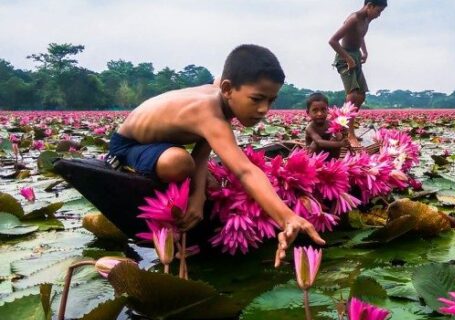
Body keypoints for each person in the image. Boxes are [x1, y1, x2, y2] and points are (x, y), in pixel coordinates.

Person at [108, 44, 325, 267]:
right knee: (181, 163)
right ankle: (133, 168)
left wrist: (198, 196)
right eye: (257, 99)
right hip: (128, 146)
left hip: (163, 142)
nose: (263, 110)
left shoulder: (223, 89)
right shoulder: (207, 112)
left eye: (270, 100)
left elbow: (204, 143)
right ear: (228, 89)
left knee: (198, 173)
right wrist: (286, 217)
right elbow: (244, 170)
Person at [329, 0, 387, 148]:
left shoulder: (367, 19)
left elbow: (360, 36)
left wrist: (365, 52)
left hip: (355, 56)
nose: (379, 15)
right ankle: (350, 134)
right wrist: (347, 58)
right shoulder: (354, 18)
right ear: (370, 6)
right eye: (378, 11)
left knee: (361, 96)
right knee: (353, 94)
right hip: (344, 57)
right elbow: (333, 41)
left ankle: (342, 123)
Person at [304, 92, 349, 158]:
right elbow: (319, 142)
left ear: (327, 110)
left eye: (323, 110)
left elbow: (339, 137)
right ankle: (313, 163)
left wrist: (343, 132)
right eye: (315, 110)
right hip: (314, 156)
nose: (319, 113)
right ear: (308, 113)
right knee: (315, 143)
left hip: (329, 155)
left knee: (335, 139)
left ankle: (334, 161)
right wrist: (340, 144)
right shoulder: (310, 128)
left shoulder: (330, 123)